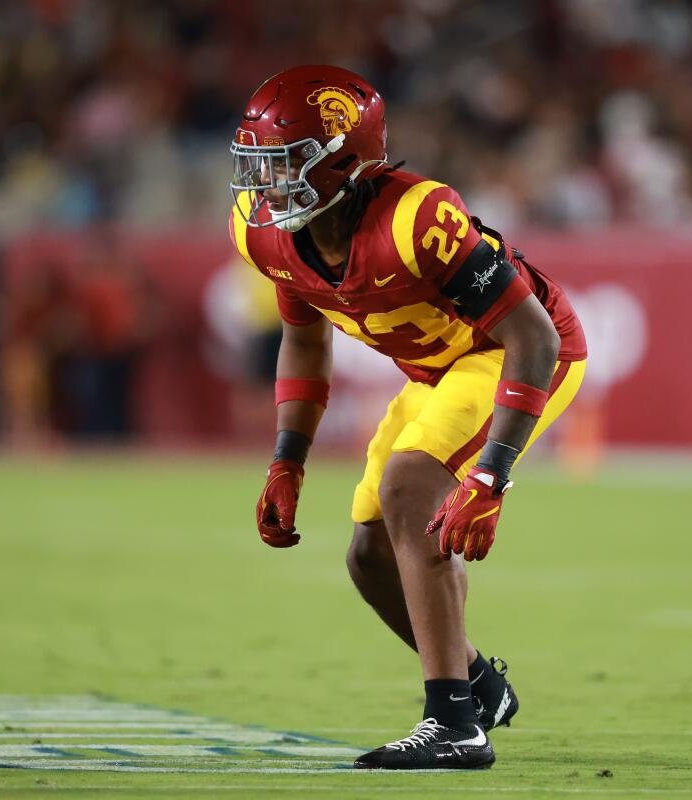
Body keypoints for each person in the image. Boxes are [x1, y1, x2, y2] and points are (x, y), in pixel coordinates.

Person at [229, 65, 588, 770]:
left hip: (515, 353)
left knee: (408, 487)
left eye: (286, 163)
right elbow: (304, 339)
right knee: (369, 558)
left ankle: (454, 722)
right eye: (259, 164)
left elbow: (534, 337)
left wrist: (492, 477)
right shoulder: (267, 237)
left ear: (342, 160)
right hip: (438, 370)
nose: (266, 185)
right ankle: (480, 684)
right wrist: (287, 458)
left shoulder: (417, 218)